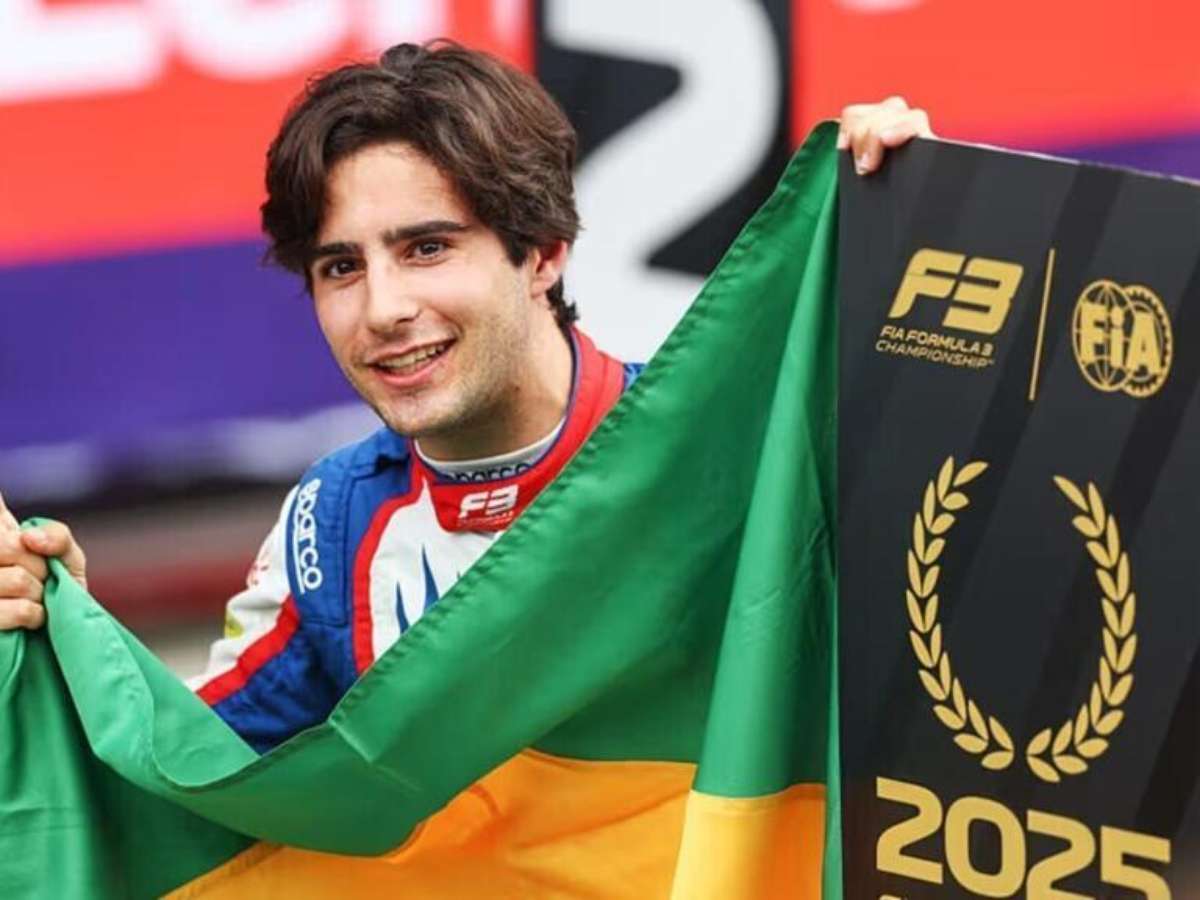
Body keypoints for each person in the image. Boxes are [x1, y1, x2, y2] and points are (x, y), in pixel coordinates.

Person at [0, 42, 931, 749]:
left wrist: (938, 215)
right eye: (340, 267)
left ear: (543, 253)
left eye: (427, 248)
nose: (384, 309)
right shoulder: (331, 525)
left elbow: (950, 626)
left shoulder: (737, 454)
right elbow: (183, 783)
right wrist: (61, 640)